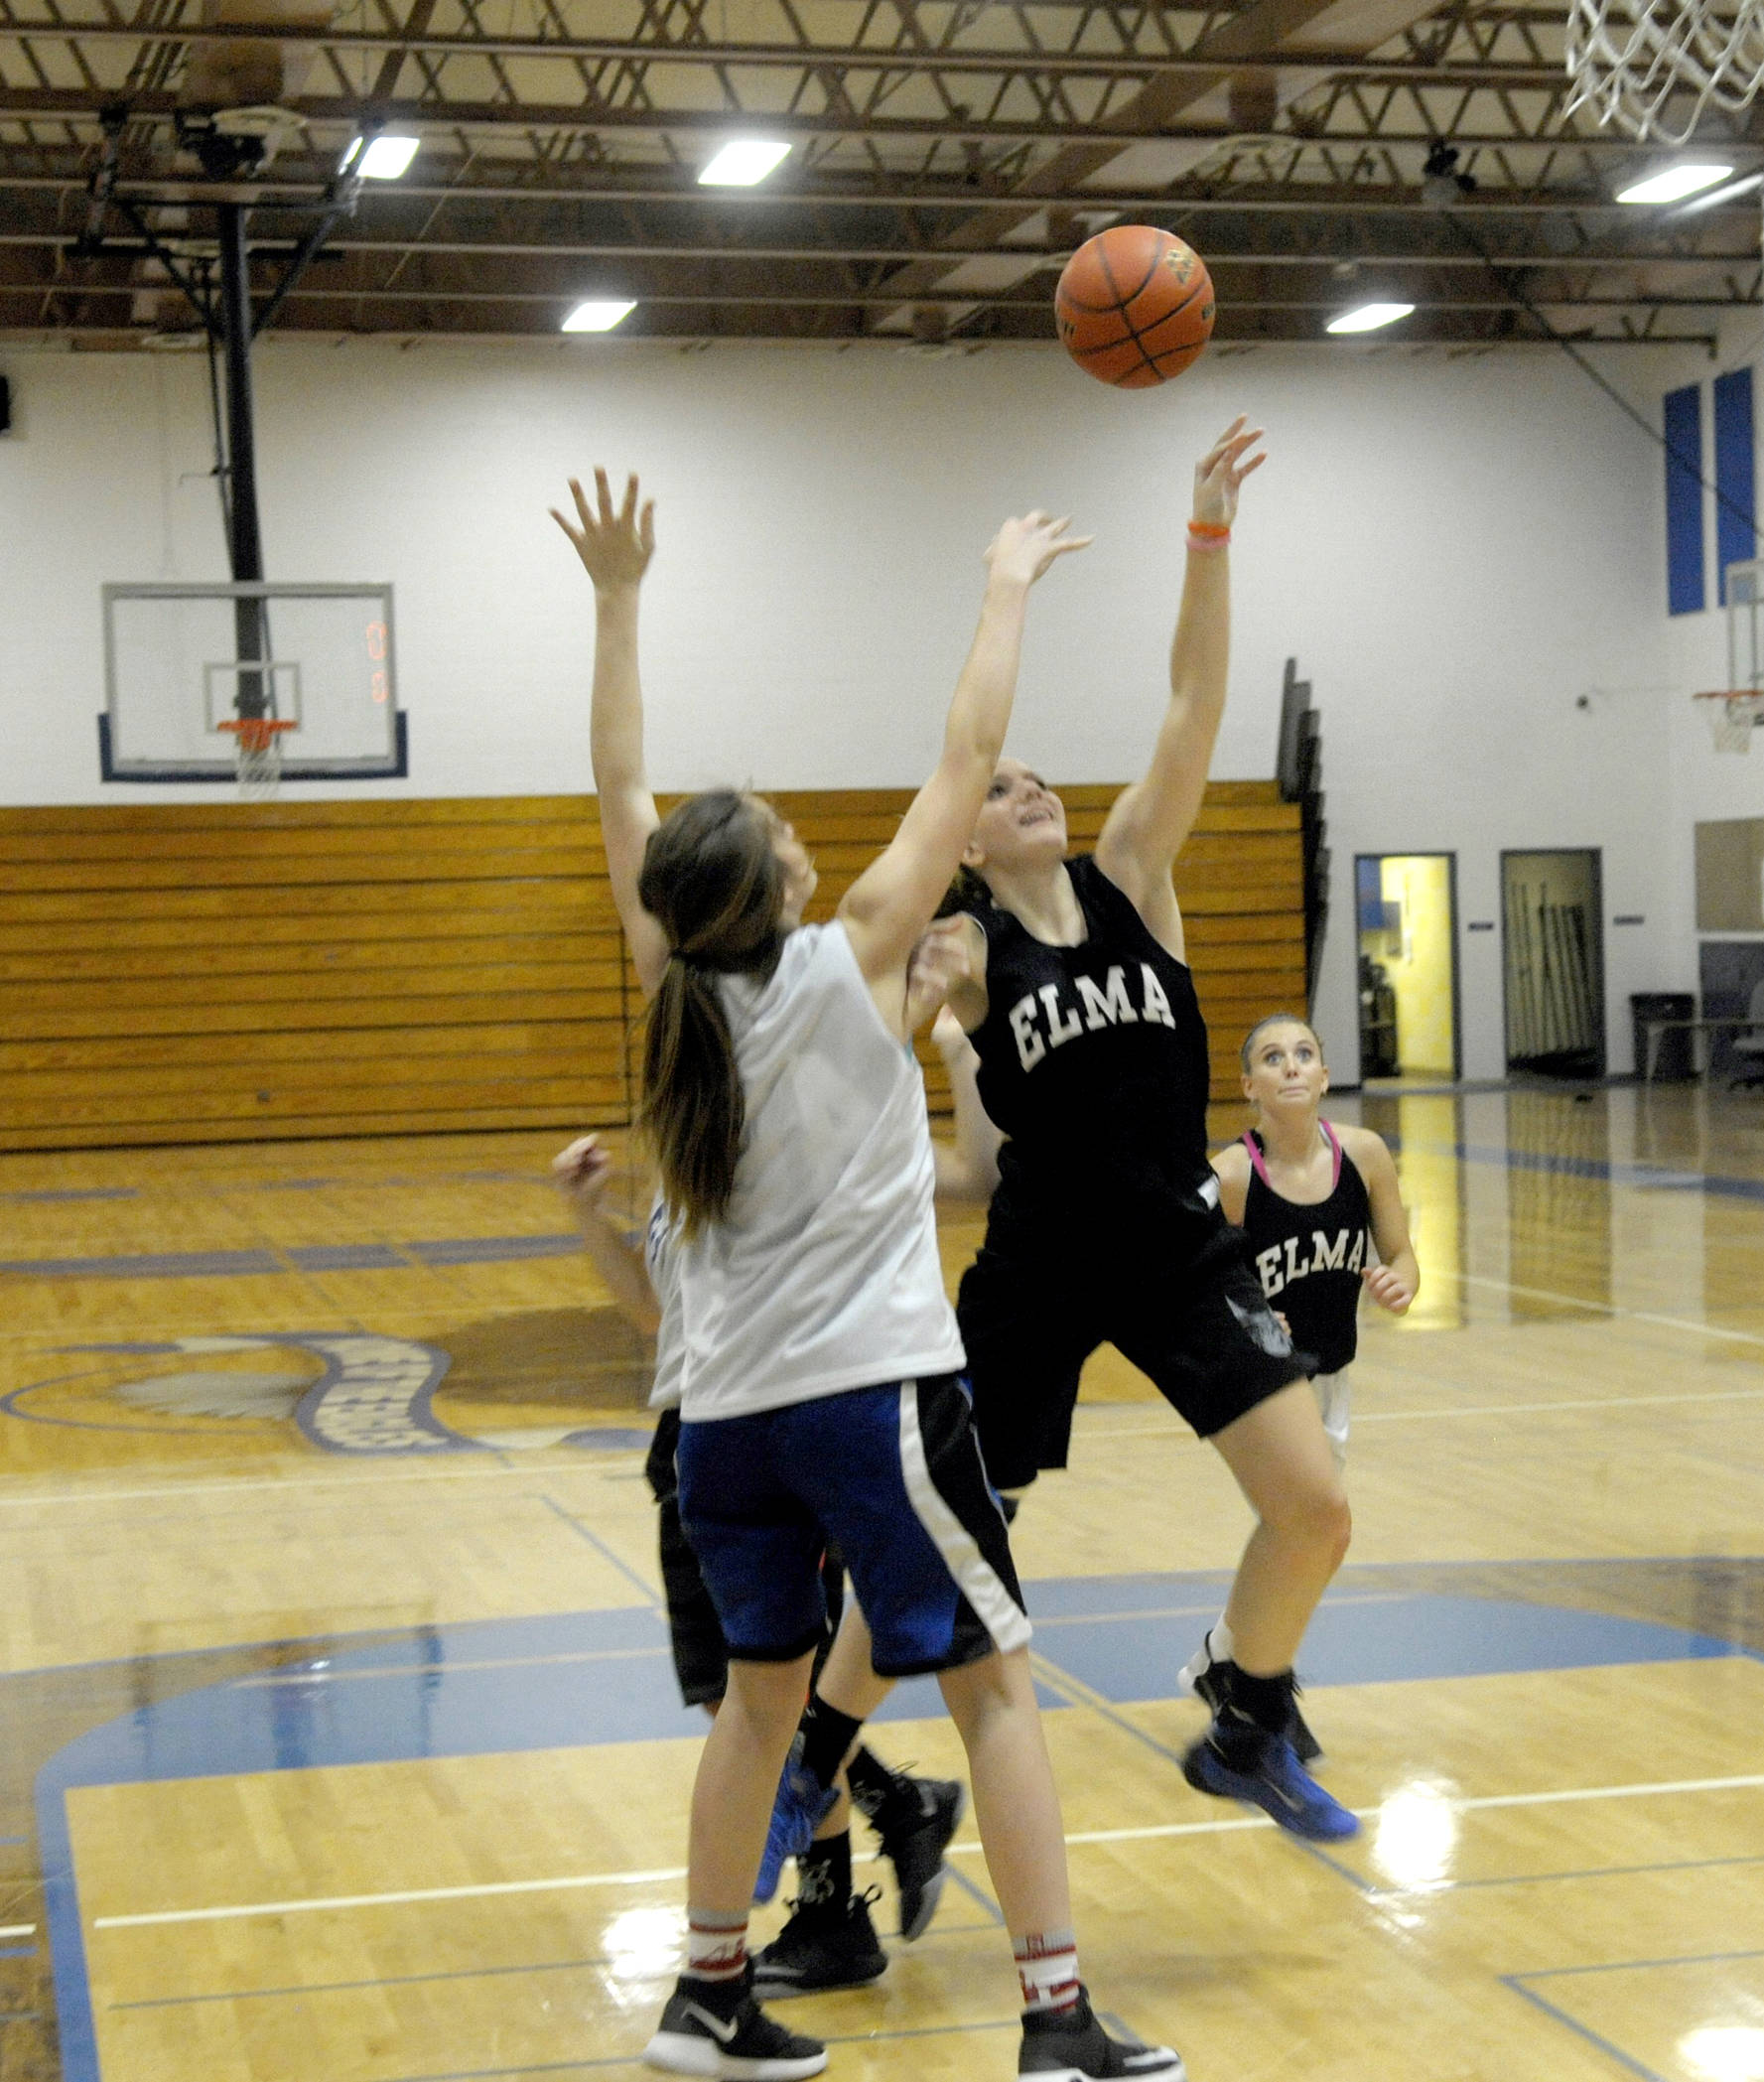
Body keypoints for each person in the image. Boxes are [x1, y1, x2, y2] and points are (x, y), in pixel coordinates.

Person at [554, 468, 1181, 2082]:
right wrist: (1006, 581)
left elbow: (616, 779)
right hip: (866, 1400)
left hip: (717, 1428)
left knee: (758, 1702)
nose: (804, 839)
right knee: (996, 1687)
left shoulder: (673, 991)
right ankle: (1053, 2016)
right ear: (772, 888)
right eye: (780, 835)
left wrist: (616, 602)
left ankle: (707, 1995)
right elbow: (965, 754)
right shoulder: (848, 967)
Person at [933, 419, 1363, 1845]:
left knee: (1317, 1507)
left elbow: (1194, 701)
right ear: (970, 836)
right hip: (1043, 1262)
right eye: (1002, 789)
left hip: (1179, 1246)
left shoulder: (1130, 876)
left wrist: (1207, 534)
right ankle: (821, 1745)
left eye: (1035, 775)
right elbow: (963, 761)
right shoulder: (968, 948)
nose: (1026, 786)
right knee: (944, 1553)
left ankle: (1246, 1711)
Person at [550, 1121, 974, 1996]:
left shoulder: (776, 1154)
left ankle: (836, 1910)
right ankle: (892, 1812)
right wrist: (590, 1216)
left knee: (760, 1691)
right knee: (730, 1692)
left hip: (759, 1434)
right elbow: (658, 1320)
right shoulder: (689, 1172)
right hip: (691, 1433)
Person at [1184, 1012, 1419, 1756]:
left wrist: (1398, 1281)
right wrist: (1246, 1307)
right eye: (1273, 1057)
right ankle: (1261, 1683)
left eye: (1305, 1054)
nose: (1291, 1066)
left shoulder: (1366, 1155)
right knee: (1312, 1526)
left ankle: (1226, 1658)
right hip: (1263, 1386)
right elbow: (1186, 1286)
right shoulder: (1232, 1175)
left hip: (1334, 1374)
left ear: (1323, 1077)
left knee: (1320, 1538)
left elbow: (1404, 1252)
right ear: (1249, 1085)